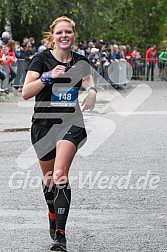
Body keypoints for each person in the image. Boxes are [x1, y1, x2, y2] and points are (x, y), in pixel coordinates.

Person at [22, 16, 97, 251]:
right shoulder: (40, 59)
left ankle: (60, 236)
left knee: (59, 173)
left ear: (73, 35)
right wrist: (47, 77)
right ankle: (52, 215)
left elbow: (88, 81)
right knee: (48, 180)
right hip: (43, 126)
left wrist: (92, 91)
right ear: (53, 36)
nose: (64, 36)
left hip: (71, 124)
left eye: (68, 32)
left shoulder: (80, 61)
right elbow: (26, 92)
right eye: (59, 32)